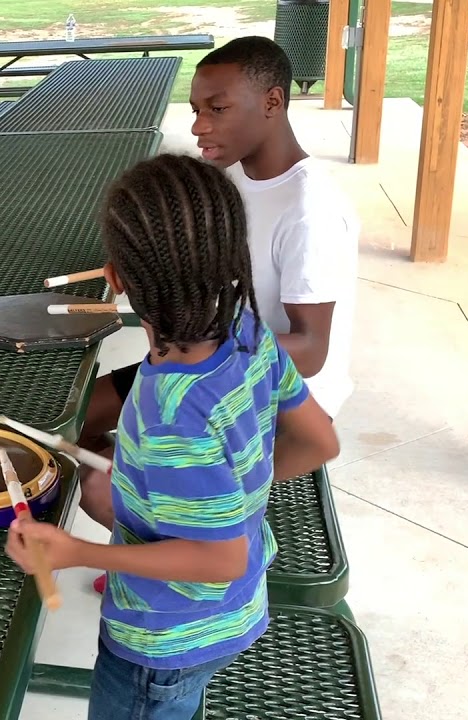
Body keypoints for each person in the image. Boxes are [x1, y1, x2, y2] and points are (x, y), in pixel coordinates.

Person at [6, 154, 341, 720]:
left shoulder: (167, 415)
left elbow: (220, 558)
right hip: (232, 612)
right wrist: (205, 494)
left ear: (114, 278)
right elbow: (320, 443)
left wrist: (76, 551)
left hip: (162, 645)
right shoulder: (248, 329)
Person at [75, 36, 359, 556]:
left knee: (102, 481)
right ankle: (154, 539)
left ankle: (168, 562)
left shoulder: (310, 212)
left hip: (270, 392)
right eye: (196, 110)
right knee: (75, 418)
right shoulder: (232, 178)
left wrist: (197, 348)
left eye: (217, 109)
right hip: (212, 354)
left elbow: (313, 349)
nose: (200, 126)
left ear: (273, 102)